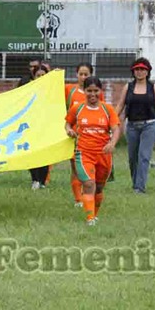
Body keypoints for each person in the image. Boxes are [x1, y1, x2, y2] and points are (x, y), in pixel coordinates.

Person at [65, 76, 121, 226]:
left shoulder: (107, 109)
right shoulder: (77, 108)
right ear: (84, 91)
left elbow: (116, 129)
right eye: (89, 91)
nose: (92, 94)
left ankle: (94, 214)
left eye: (95, 91)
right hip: (84, 153)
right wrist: (69, 130)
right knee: (89, 183)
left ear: (100, 91)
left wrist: (112, 143)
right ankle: (90, 219)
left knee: (99, 187)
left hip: (103, 154)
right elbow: (67, 124)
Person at [114, 57, 155, 194]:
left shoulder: (153, 87)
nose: (140, 72)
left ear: (148, 71)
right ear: (133, 71)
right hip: (131, 126)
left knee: (144, 156)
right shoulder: (128, 87)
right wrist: (112, 119)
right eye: (137, 69)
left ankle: (139, 187)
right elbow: (120, 105)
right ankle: (135, 182)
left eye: (143, 69)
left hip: (149, 125)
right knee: (132, 158)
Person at [64, 62, 106, 204]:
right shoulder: (69, 90)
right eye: (80, 74)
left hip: (93, 139)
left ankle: (90, 194)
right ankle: (78, 199)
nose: (83, 77)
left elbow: (103, 112)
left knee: (92, 170)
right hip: (74, 137)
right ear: (76, 75)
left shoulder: (96, 93)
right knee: (76, 168)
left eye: (86, 74)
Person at [28, 65, 52, 189]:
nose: (41, 78)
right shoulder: (28, 90)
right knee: (32, 153)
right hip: (31, 126)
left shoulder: (52, 91)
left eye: (44, 75)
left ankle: (42, 181)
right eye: (38, 75)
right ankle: (35, 179)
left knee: (45, 155)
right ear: (34, 77)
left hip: (46, 126)